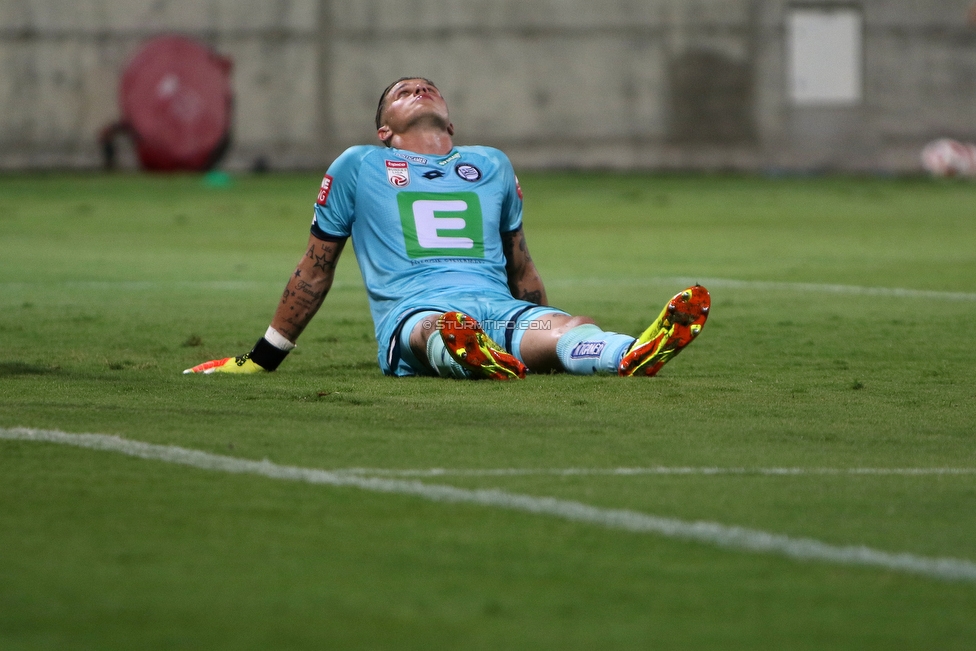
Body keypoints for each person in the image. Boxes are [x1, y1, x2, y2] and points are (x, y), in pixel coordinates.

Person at [185, 77, 709, 380]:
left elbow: (519, 262)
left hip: (495, 306)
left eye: (427, 88)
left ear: (451, 122)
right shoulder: (358, 165)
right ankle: (471, 356)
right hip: (415, 310)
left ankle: (630, 352)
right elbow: (315, 268)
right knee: (432, 331)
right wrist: (262, 358)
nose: (418, 89)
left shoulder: (492, 163)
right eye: (403, 91)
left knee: (570, 328)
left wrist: (538, 314)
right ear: (384, 130)